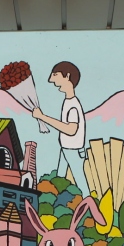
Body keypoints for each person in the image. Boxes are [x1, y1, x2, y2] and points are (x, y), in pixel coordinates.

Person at [32, 61, 87, 192]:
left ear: (67, 76)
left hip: (73, 150)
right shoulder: (68, 101)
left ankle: (91, 203)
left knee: (81, 184)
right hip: (66, 148)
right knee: (58, 183)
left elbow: (71, 130)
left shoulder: (73, 105)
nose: (51, 80)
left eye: (55, 75)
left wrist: (42, 117)